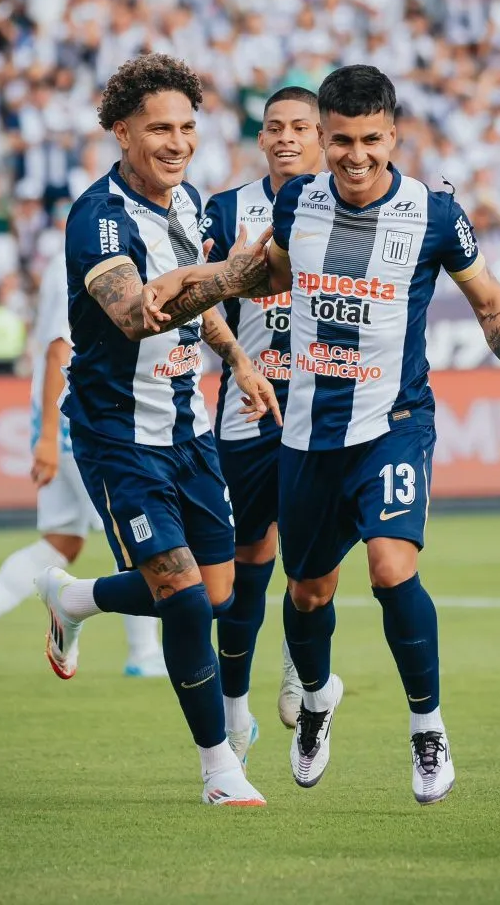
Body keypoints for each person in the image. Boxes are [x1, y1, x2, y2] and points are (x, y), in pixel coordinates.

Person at [141, 64, 500, 806]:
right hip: (306, 436)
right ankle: (317, 699)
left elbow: (490, 304)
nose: (356, 157)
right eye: (341, 142)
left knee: (391, 569)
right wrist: (193, 282)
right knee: (306, 594)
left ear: (393, 136)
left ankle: (426, 727)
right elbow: (267, 276)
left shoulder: (433, 215)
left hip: (393, 424)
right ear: (322, 138)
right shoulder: (298, 201)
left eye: (370, 141)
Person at [34, 53, 280, 807]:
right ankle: (218, 769)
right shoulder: (98, 219)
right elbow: (134, 314)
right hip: (117, 434)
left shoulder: (189, 202)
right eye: (159, 129)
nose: (177, 143)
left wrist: (237, 356)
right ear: (122, 132)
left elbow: (194, 301)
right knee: (181, 597)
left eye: (186, 128)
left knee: (216, 592)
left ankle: (76, 600)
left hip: (188, 427)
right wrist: (239, 274)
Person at [0, 252, 166, 681]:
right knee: (135, 530)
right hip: (80, 418)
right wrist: (49, 435)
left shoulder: (65, 259)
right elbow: (58, 350)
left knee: (62, 541)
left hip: (60, 419)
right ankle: (144, 652)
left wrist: (45, 433)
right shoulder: (86, 260)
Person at [200, 86, 323, 747]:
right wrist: (237, 354)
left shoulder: (346, 205)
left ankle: (299, 668)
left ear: (320, 136)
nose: (285, 138)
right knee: (245, 564)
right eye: (275, 127)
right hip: (247, 410)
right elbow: (198, 297)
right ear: (261, 138)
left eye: (299, 127)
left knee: (310, 560)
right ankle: (233, 712)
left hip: (323, 408)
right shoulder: (226, 209)